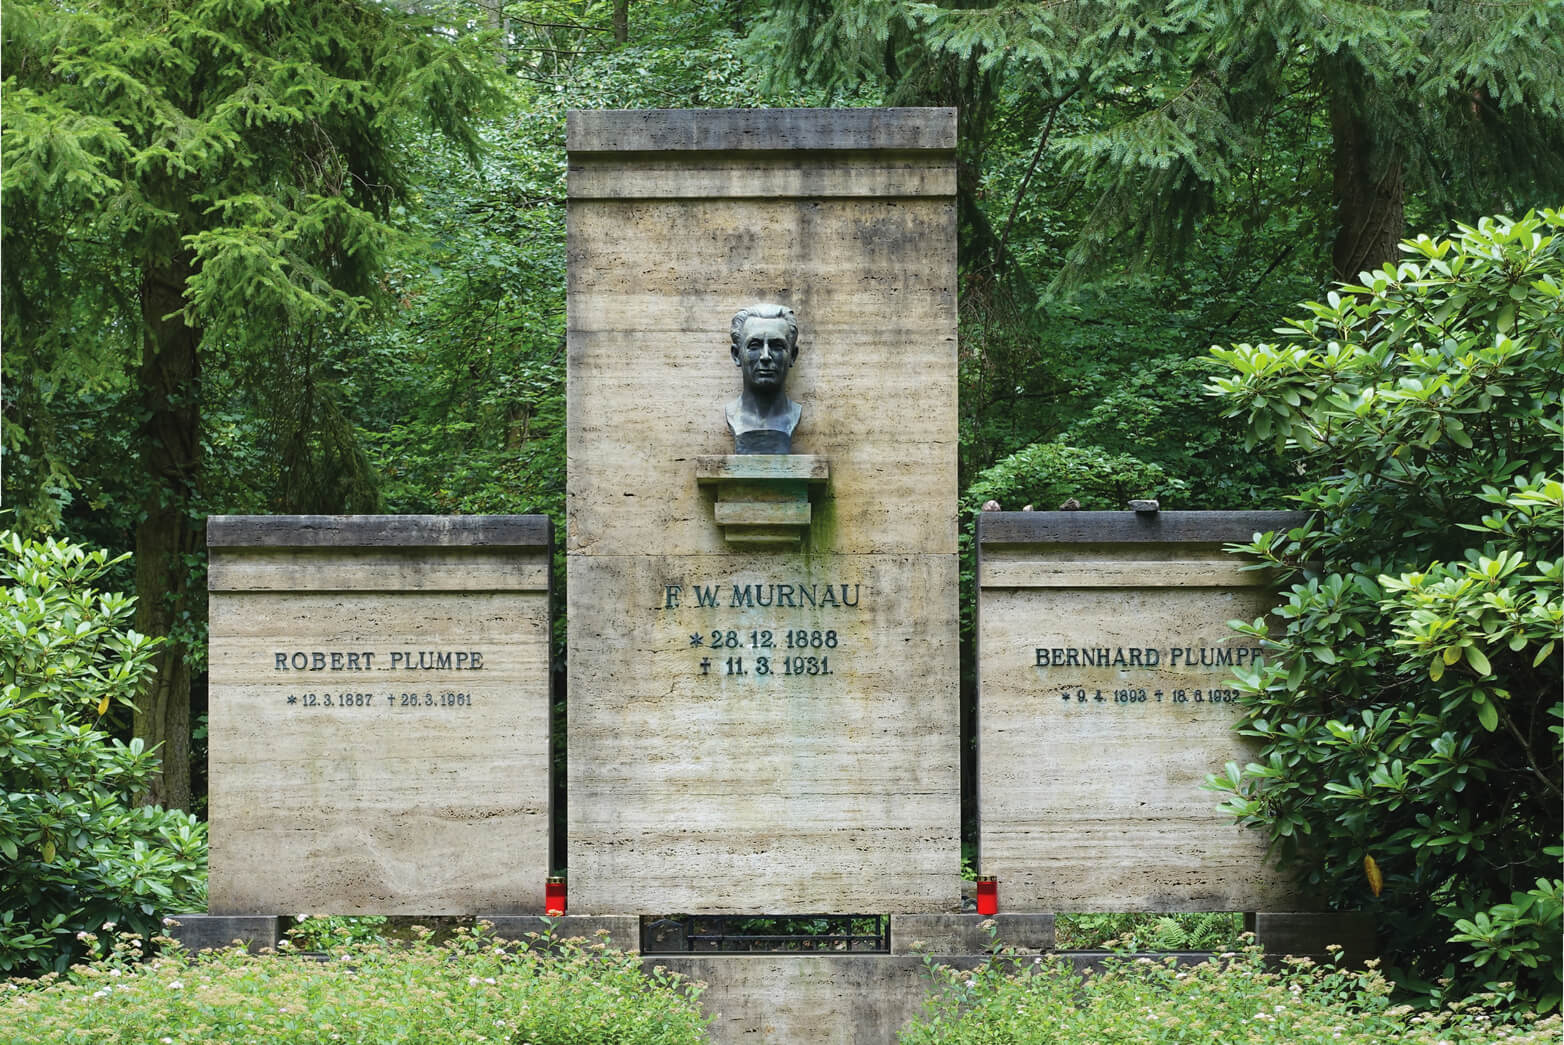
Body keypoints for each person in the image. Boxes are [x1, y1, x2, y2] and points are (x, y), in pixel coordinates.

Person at [725, 304, 802, 454]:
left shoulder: (794, 415)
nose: (765, 356)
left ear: (792, 356)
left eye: (777, 346)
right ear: (736, 355)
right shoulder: (732, 415)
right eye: (754, 346)